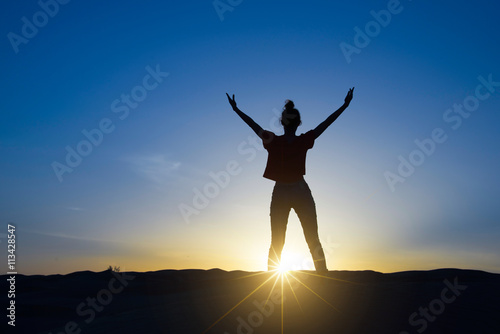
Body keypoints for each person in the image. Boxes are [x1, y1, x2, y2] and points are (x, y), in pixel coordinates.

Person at [226, 88, 354, 275]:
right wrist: (345, 105)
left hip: (281, 192)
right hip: (300, 190)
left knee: (277, 242)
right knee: (312, 239)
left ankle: (271, 285)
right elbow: (325, 124)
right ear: (298, 123)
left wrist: (236, 110)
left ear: (282, 122)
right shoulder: (303, 140)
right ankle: (324, 279)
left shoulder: (273, 141)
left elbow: (253, 125)